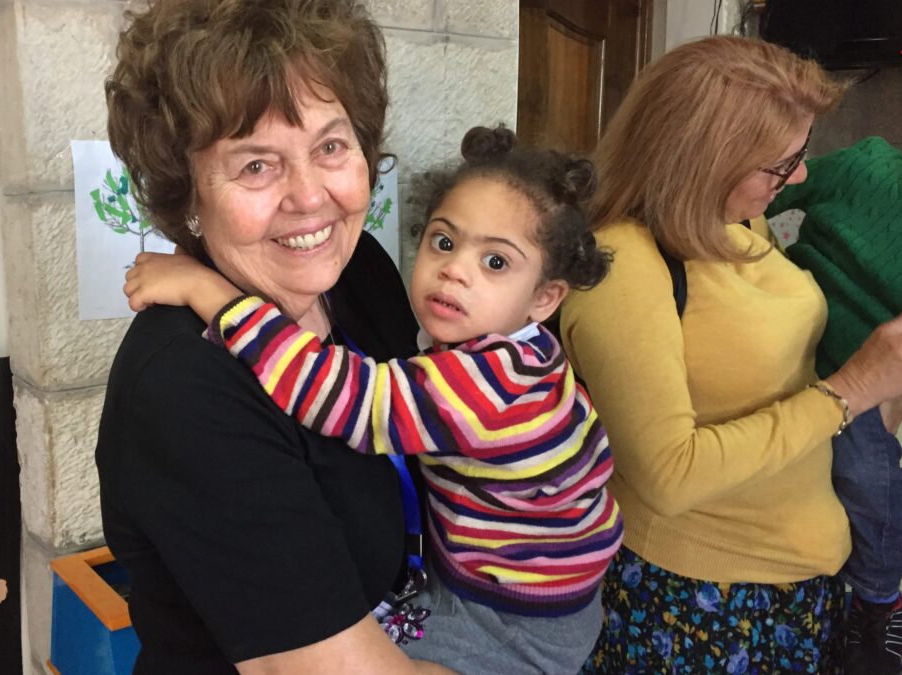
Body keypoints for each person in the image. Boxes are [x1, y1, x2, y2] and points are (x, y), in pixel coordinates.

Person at [122, 125, 624, 675]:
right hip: (512, 590)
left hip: (511, 618)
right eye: (444, 242)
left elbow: (344, 396)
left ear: (545, 298)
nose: (454, 270)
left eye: (496, 263)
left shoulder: (490, 378)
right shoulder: (179, 380)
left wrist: (210, 293)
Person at [95, 1, 456, 672]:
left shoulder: (358, 274)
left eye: (330, 147)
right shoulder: (182, 387)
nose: (310, 197)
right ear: (187, 194)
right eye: (256, 165)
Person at [557, 35, 902, 674]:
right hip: (702, 605)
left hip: (796, 583)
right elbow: (670, 476)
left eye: (800, 155)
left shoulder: (734, 221)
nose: (798, 177)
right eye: (780, 164)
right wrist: (853, 388)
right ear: (701, 160)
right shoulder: (626, 268)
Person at [766, 135, 902, 674]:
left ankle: (878, 601)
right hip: (783, 332)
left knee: (867, 477)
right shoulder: (867, 166)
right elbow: (768, 198)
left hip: (866, 381)